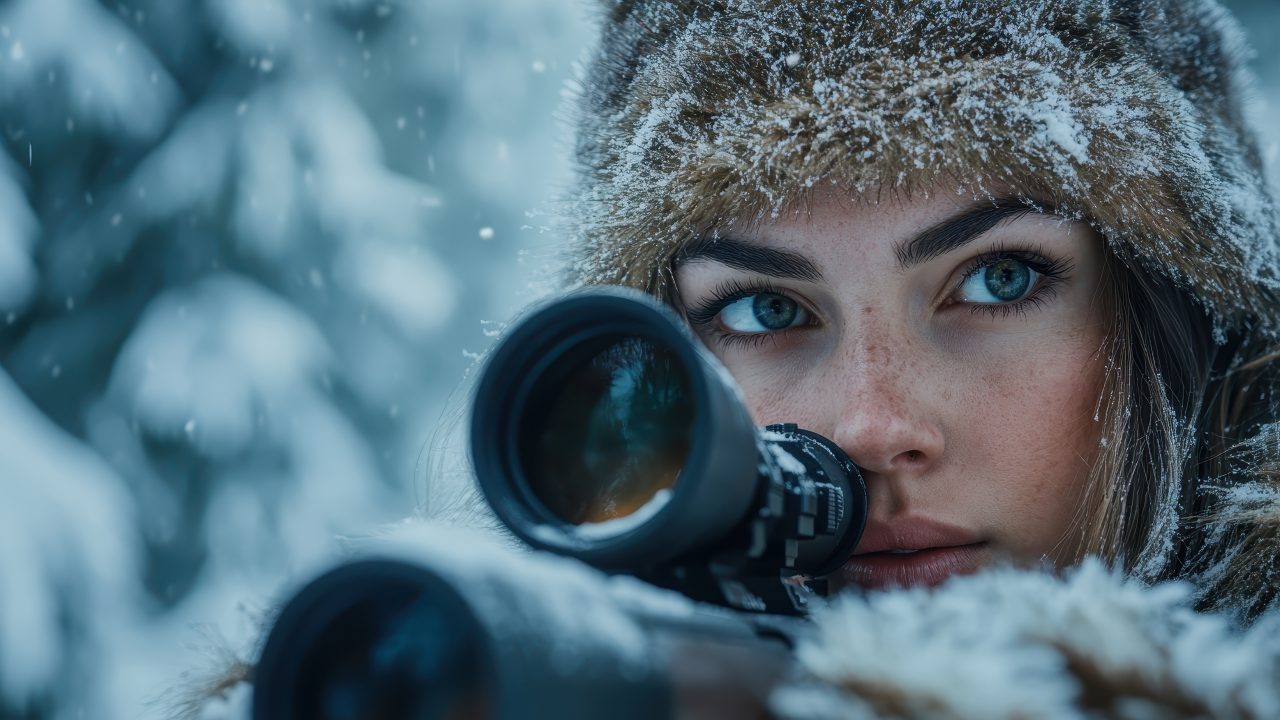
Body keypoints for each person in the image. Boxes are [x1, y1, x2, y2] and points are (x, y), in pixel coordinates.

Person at [185, 0, 1280, 716]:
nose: (868, 423)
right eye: (761, 308)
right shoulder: (482, 669)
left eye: (996, 280)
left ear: (1173, 316)